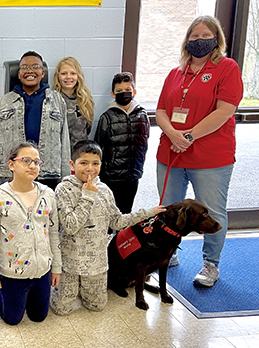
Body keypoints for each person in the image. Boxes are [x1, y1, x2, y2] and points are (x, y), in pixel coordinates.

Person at [156, 16, 243, 287]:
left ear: (216, 39)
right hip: (171, 152)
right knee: (168, 210)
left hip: (210, 157)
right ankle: (167, 254)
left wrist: (189, 136)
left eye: (205, 35)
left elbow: (226, 110)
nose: (198, 40)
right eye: (193, 36)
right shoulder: (176, 73)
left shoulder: (226, 68)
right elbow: (160, 110)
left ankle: (210, 264)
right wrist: (173, 134)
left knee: (212, 212)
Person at [50, 140, 165, 315]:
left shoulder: (104, 190)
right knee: (61, 310)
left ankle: (84, 290)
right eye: (83, 163)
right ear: (72, 164)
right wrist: (88, 195)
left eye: (95, 163)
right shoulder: (63, 189)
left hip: (96, 262)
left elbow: (117, 222)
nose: (90, 168)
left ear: (101, 165)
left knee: (97, 306)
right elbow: (70, 226)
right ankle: (68, 289)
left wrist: (148, 212)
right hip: (69, 262)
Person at [0, 141, 62, 325]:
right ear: (11, 165)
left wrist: (56, 267)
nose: (32, 165)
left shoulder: (48, 194)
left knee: (38, 317)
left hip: (41, 270)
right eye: (26, 160)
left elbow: (54, 234)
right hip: (13, 272)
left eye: (36, 162)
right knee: (12, 319)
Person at [0, 51, 71, 192]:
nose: (30, 71)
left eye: (35, 66)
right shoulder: (6, 102)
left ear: (43, 73)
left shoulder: (56, 100)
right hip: (14, 175)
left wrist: (66, 184)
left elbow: (64, 142)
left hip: (47, 175)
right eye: (25, 67)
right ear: (19, 74)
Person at [94, 72, 150, 214]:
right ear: (113, 94)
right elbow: (98, 146)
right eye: (119, 91)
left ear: (134, 92)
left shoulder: (142, 115)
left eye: (127, 90)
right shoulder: (107, 117)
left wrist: (138, 169)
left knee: (126, 212)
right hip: (111, 177)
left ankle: (122, 237)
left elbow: (144, 145)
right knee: (109, 213)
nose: (124, 93)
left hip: (132, 175)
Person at [52, 57, 95, 148]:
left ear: (78, 76)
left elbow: (88, 127)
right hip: (59, 151)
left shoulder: (86, 99)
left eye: (73, 73)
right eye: (64, 73)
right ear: (58, 76)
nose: (68, 77)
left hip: (80, 151)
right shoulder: (52, 99)